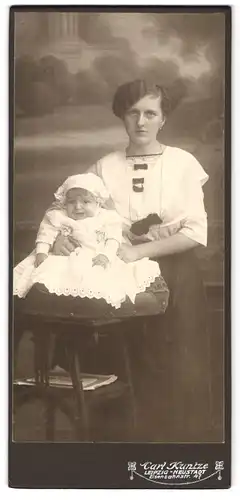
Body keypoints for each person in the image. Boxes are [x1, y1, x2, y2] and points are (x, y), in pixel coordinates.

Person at [51, 79, 213, 442]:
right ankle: (118, 454)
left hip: (175, 278)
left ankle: (175, 455)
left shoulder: (183, 164)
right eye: (133, 113)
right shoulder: (103, 167)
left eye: (150, 113)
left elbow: (195, 233)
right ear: (122, 117)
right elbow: (72, 213)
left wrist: (139, 250)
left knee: (172, 368)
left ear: (163, 119)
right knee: (120, 363)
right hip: (116, 277)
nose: (141, 122)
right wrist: (62, 238)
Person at [13, 172, 161, 309]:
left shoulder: (107, 218)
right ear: (64, 202)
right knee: (51, 275)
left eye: (85, 201)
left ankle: (91, 305)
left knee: (104, 279)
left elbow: (113, 240)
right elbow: (46, 233)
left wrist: (106, 255)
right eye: (71, 202)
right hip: (66, 257)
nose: (78, 207)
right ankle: (63, 303)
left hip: (97, 256)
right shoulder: (59, 216)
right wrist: (42, 252)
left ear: (98, 202)